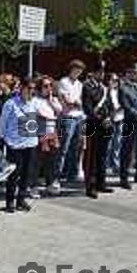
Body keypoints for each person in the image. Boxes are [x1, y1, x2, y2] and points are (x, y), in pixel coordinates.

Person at [0, 78, 40, 213]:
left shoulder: (34, 102)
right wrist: (6, 140)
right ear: (21, 88)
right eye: (29, 88)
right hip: (15, 145)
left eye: (33, 89)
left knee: (26, 174)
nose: (31, 91)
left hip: (30, 143)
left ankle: (21, 200)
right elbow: (2, 124)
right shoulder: (10, 103)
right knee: (14, 174)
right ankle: (10, 201)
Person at [81, 63, 114, 198]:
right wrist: (102, 119)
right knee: (92, 156)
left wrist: (109, 118)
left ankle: (101, 182)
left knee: (102, 155)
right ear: (93, 73)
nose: (102, 75)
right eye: (99, 72)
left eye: (103, 72)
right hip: (94, 125)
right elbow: (88, 108)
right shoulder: (87, 87)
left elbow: (110, 105)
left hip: (105, 125)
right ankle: (91, 186)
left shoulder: (104, 88)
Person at [55, 59, 86, 190]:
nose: (78, 73)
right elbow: (65, 101)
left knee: (76, 147)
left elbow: (81, 101)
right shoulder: (63, 82)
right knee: (64, 147)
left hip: (79, 117)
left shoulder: (79, 84)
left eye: (80, 71)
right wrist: (74, 103)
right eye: (76, 70)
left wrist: (76, 103)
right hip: (68, 117)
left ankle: (71, 174)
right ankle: (57, 175)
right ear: (71, 69)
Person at [29, 76, 62, 198]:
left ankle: (50, 183)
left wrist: (52, 102)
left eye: (50, 86)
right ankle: (33, 186)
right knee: (37, 161)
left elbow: (59, 112)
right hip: (40, 133)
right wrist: (49, 116)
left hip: (52, 132)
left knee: (51, 160)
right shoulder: (34, 100)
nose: (48, 88)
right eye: (45, 86)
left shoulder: (53, 100)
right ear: (40, 88)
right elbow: (39, 114)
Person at [104, 72, 124, 174]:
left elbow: (124, 103)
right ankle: (107, 164)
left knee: (118, 143)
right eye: (113, 80)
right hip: (111, 119)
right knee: (109, 143)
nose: (114, 82)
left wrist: (121, 108)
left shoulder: (120, 92)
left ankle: (116, 164)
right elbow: (105, 106)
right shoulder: (106, 91)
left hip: (120, 118)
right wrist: (112, 111)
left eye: (116, 81)